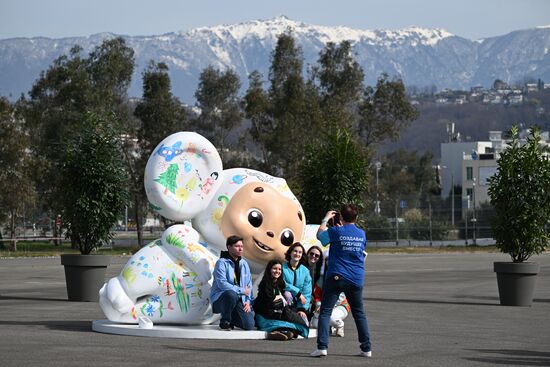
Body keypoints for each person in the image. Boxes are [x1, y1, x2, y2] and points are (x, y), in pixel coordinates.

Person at [310, 204, 372, 358]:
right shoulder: (361, 234)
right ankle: (366, 349)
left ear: (341, 217)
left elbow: (319, 236)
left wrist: (325, 219)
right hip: (356, 278)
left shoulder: (335, 231)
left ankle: (322, 347)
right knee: (359, 314)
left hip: (336, 276)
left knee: (325, 312)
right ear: (356, 218)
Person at [254, 259, 309, 340]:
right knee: (290, 325)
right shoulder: (265, 283)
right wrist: (279, 298)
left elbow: (289, 288)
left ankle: (284, 332)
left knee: (296, 326)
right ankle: (273, 333)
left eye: (279, 269)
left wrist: (299, 295)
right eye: (274, 268)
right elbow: (269, 304)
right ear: (269, 269)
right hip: (264, 317)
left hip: (274, 314)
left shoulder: (279, 282)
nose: (277, 271)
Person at [210, 235, 255, 330]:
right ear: (229, 247)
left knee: (249, 325)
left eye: (242, 246)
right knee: (231, 294)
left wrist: (247, 301)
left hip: (239, 299)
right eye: (237, 246)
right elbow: (222, 284)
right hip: (222, 299)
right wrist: (241, 290)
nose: (240, 249)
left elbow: (249, 285)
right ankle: (225, 321)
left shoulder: (244, 263)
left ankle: (232, 317)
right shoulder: (221, 263)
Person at [306, 246, 350, 337]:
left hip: (340, 305)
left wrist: (325, 306)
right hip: (325, 306)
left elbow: (340, 297)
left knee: (332, 318)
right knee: (315, 323)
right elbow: (317, 294)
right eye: (327, 260)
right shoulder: (322, 278)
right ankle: (331, 328)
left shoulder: (343, 277)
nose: (329, 262)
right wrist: (319, 305)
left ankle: (340, 325)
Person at [282, 242, 312, 325]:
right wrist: (298, 293)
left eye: (300, 252)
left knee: (304, 325)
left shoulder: (305, 271)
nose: (297, 254)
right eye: (295, 251)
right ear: (290, 252)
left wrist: (302, 309)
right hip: (285, 301)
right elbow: (282, 283)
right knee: (287, 294)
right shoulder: (282, 267)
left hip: (298, 304)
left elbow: (306, 292)